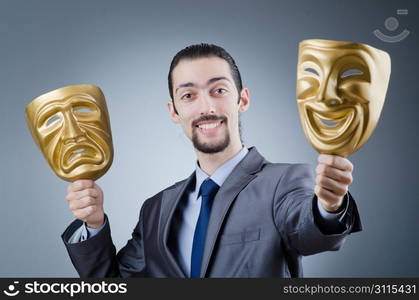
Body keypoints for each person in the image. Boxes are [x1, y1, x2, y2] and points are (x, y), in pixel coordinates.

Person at [62, 43, 361, 278]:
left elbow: (311, 235)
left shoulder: (284, 182)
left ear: (242, 100)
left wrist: (329, 205)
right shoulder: (156, 208)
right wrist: (94, 223)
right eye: (188, 95)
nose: (206, 107)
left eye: (218, 90)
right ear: (174, 111)